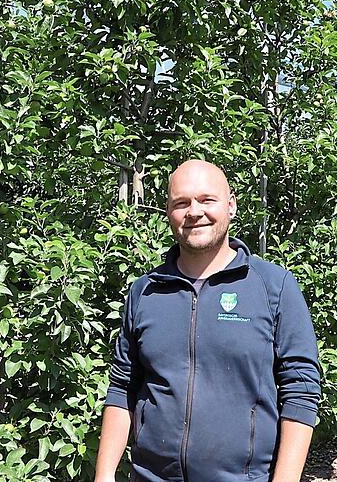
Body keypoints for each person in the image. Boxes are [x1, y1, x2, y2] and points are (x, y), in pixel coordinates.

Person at [94, 160, 322, 482]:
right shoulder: (144, 292)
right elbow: (122, 387)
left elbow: (300, 390)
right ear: (168, 212)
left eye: (206, 200)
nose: (194, 212)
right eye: (181, 203)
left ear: (230, 205)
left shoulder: (274, 286)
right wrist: (104, 476)